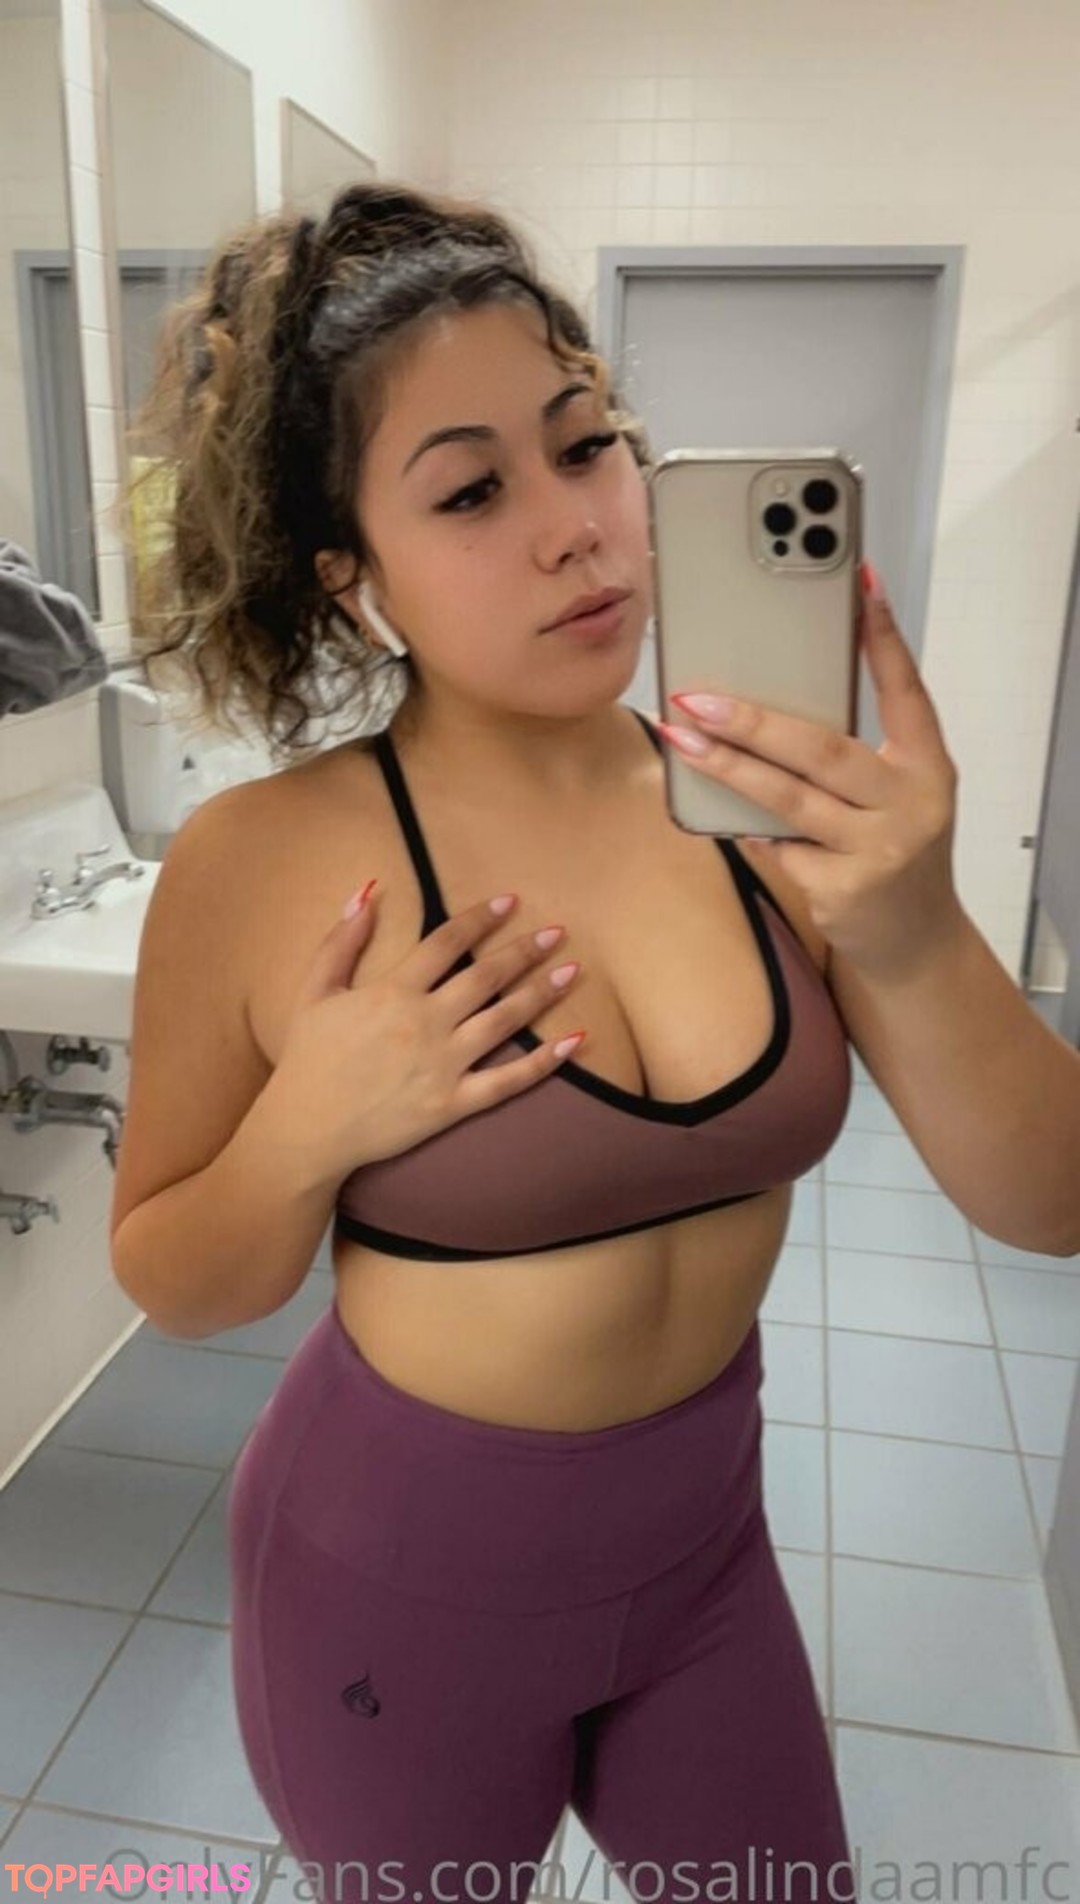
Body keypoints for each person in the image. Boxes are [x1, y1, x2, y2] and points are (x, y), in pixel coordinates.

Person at [110, 180, 1080, 1904]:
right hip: (391, 1593)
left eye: (587, 446)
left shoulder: (770, 808)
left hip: (704, 1561)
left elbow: (1050, 1204)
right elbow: (179, 1280)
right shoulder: (260, 864)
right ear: (352, 577)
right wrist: (310, 1125)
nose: (577, 529)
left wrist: (920, 929)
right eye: (471, 490)